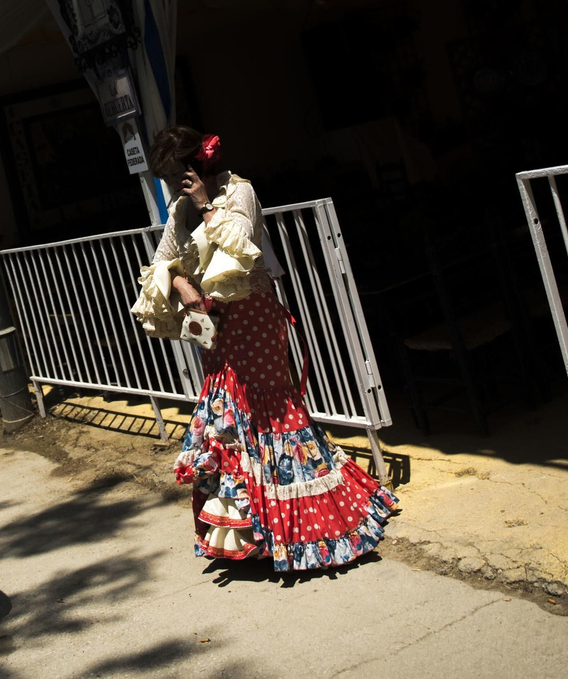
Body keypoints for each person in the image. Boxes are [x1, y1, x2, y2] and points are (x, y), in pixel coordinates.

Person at [131, 126, 397, 574]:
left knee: (269, 411)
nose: (174, 185)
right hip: (215, 323)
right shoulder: (178, 209)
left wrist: (203, 204)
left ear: (199, 165)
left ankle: (306, 528)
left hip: (253, 314)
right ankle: (248, 533)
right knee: (229, 415)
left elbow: (240, 245)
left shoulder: (240, 192)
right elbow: (163, 259)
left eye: (178, 174)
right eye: (168, 178)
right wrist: (181, 284)